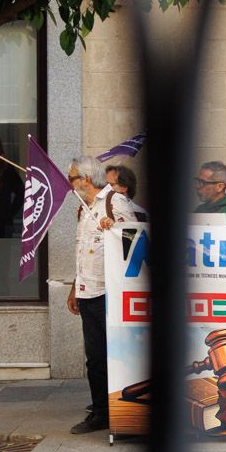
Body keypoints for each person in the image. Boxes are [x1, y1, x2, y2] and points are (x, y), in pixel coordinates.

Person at [68, 155, 138, 434]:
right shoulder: (84, 208)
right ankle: (100, 411)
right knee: (94, 357)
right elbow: (82, 251)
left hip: (108, 292)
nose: (70, 183)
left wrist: (116, 228)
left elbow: (135, 239)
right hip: (88, 290)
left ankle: (115, 409)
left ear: (86, 179)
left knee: (111, 355)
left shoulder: (115, 202)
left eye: (72, 178)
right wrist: (75, 287)